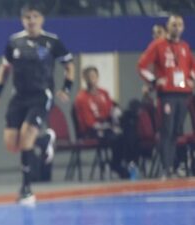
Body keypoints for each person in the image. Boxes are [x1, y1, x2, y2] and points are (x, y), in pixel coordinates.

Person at [0, 4, 75, 204]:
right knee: (12, 144)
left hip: (41, 95)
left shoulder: (52, 41)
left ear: (41, 19)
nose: (31, 21)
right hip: (19, 97)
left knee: (26, 138)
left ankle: (26, 189)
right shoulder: (14, 42)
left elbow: (69, 65)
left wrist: (66, 88)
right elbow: (4, 68)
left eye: (35, 16)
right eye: (27, 17)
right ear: (22, 19)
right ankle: (44, 140)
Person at [138, 14, 194, 179]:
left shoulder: (185, 46)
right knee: (167, 130)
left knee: (177, 131)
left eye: (180, 24)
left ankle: (175, 166)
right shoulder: (158, 45)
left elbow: (192, 67)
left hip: (183, 94)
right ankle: (166, 167)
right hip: (167, 94)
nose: (177, 27)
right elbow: (141, 66)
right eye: (174, 24)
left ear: (183, 28)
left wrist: (191, 80)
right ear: (168, 27)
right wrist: (154, 81)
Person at [73, 67, 130, 179]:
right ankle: (116, 165)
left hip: (107, 127)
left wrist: (116, 115)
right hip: (90, 131)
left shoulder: (104, 93)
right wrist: (106, 126)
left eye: (94, 77)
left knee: (126, 134)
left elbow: (110, 111)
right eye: (89, 77)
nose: (92, 80)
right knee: (115, 138)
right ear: (85, 79)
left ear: (98, 78)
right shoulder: (81, 98)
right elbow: (88, 122)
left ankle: (122, 163)